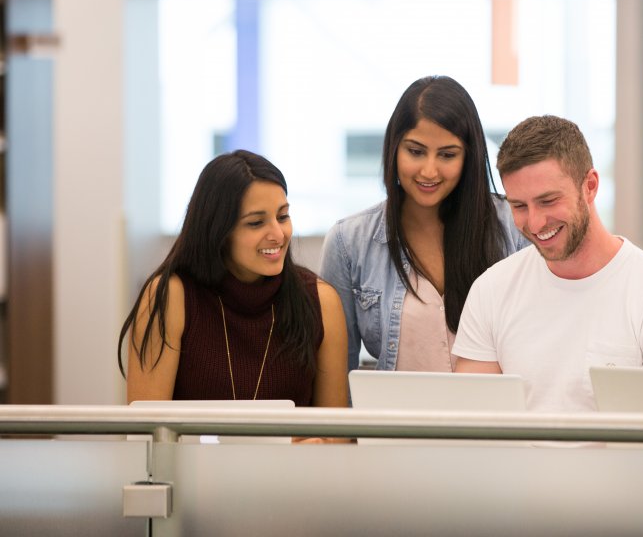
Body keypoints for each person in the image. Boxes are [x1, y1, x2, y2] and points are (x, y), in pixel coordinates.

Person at [452, 115, 643, 412]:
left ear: (590, 186)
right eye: (520, 206)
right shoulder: (491, 291)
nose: (535, 223)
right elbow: (473, 422)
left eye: (548, 201)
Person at [320, 76, 529, 373]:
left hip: (494, 405)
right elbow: (336, 373)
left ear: (469, 156)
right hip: (394, 406)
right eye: (416, 151)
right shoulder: (348, 242)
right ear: (394, 149)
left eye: (447, 155)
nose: (429, 171)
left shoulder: (514, 226)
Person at [118, 150, 348, 408]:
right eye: (256, 222)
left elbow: (333, 428)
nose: (278, 234)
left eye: (282, 216)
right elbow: (147, 427)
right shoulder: (170, 297)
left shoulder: (320, 300)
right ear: (218, 230)